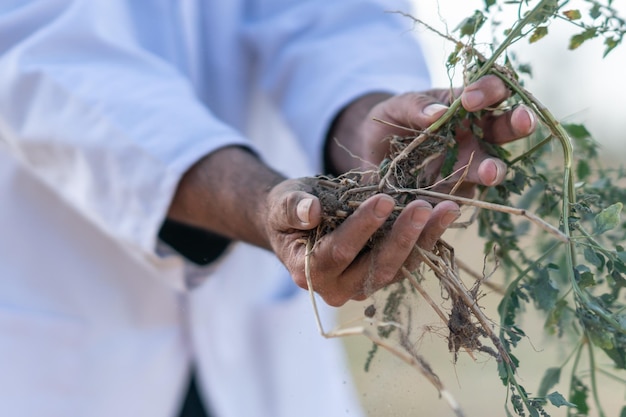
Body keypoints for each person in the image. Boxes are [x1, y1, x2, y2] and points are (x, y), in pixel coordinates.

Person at [0, 1, 535, 417]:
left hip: (265, 354)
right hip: (64, 317)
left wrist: (363, 123)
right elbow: (41, 56)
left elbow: (333, 18)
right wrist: (258, 201)